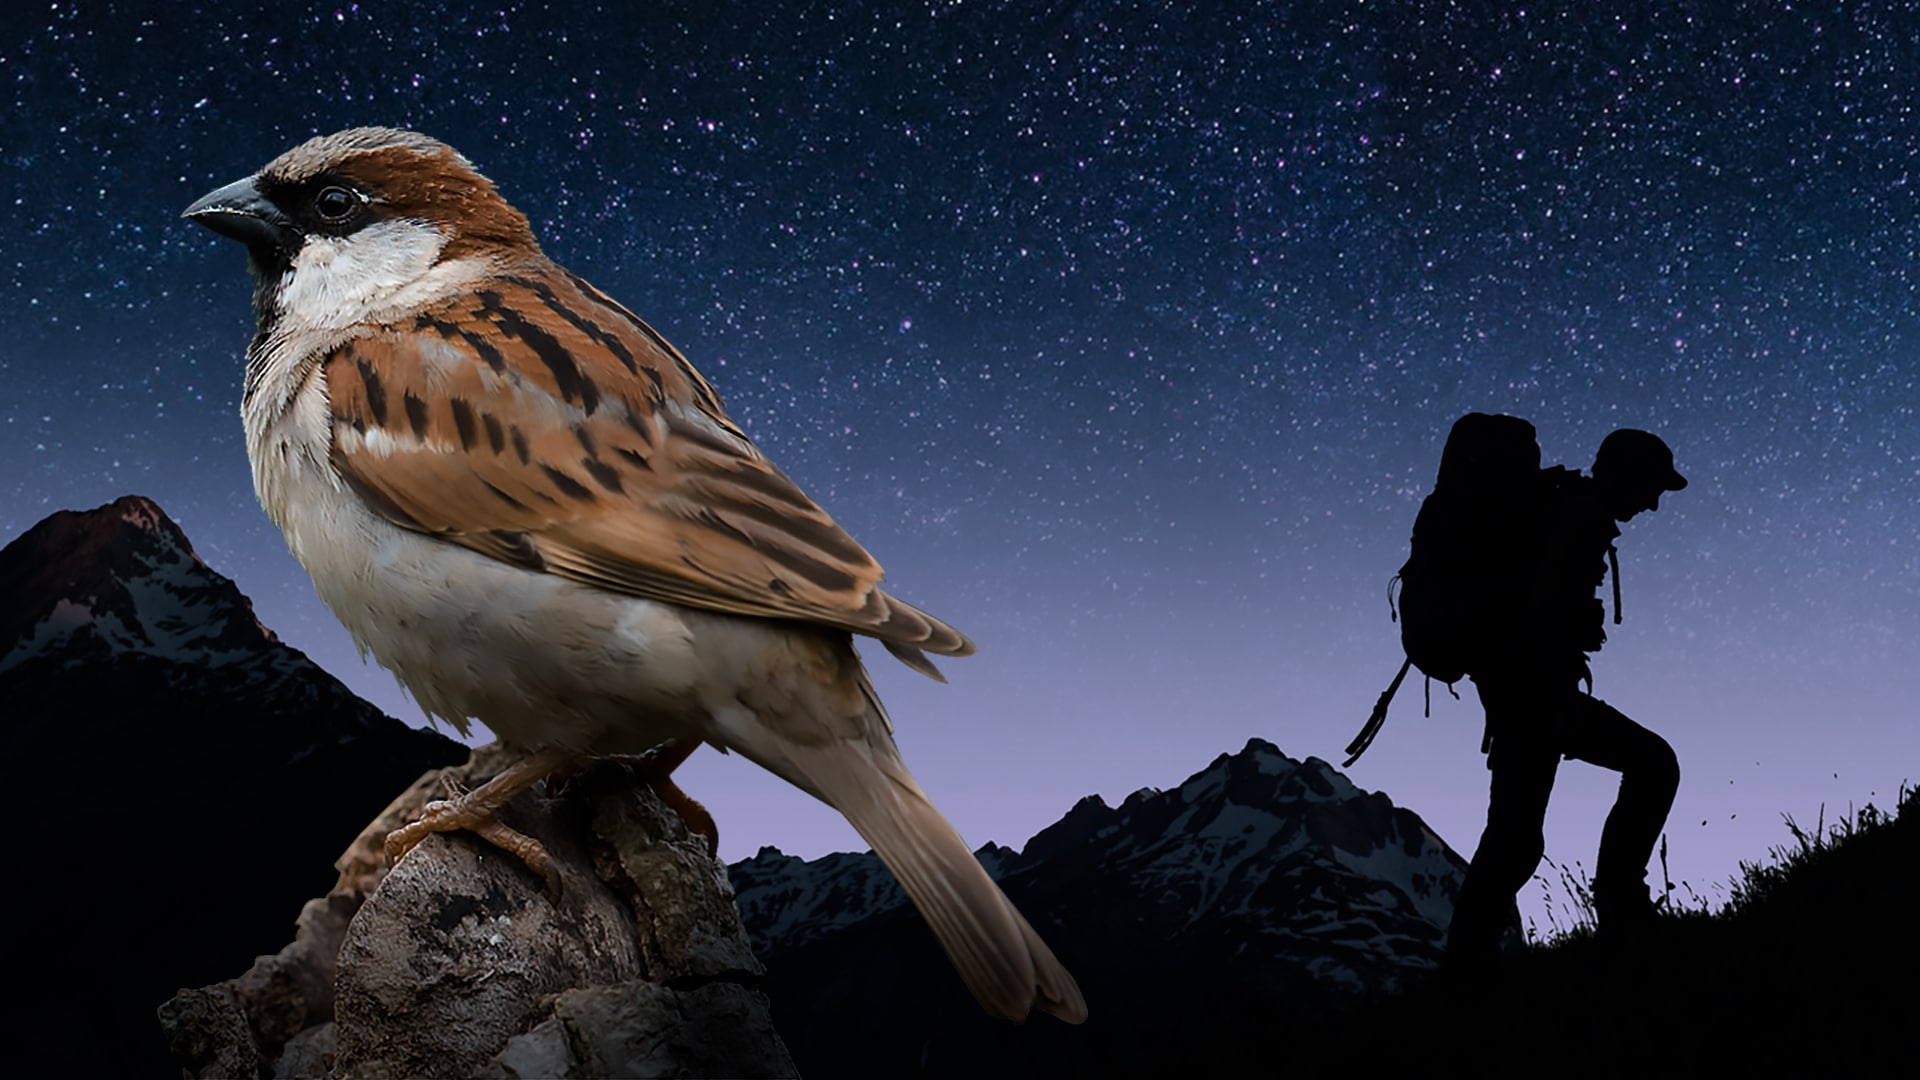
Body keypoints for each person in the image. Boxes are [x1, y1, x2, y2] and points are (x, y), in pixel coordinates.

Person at [1444, 428, 1688, 964]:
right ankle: (1621, 917)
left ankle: (1465, 971)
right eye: (1651, 487)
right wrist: (1568, 634)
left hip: (1525, 696)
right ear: (1625, 473)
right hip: (1535, 699)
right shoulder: (1577, 518)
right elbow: (1536, 612)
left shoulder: (1567, 510)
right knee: (1653, 766)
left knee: (1514, 839)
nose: (1651, 503)